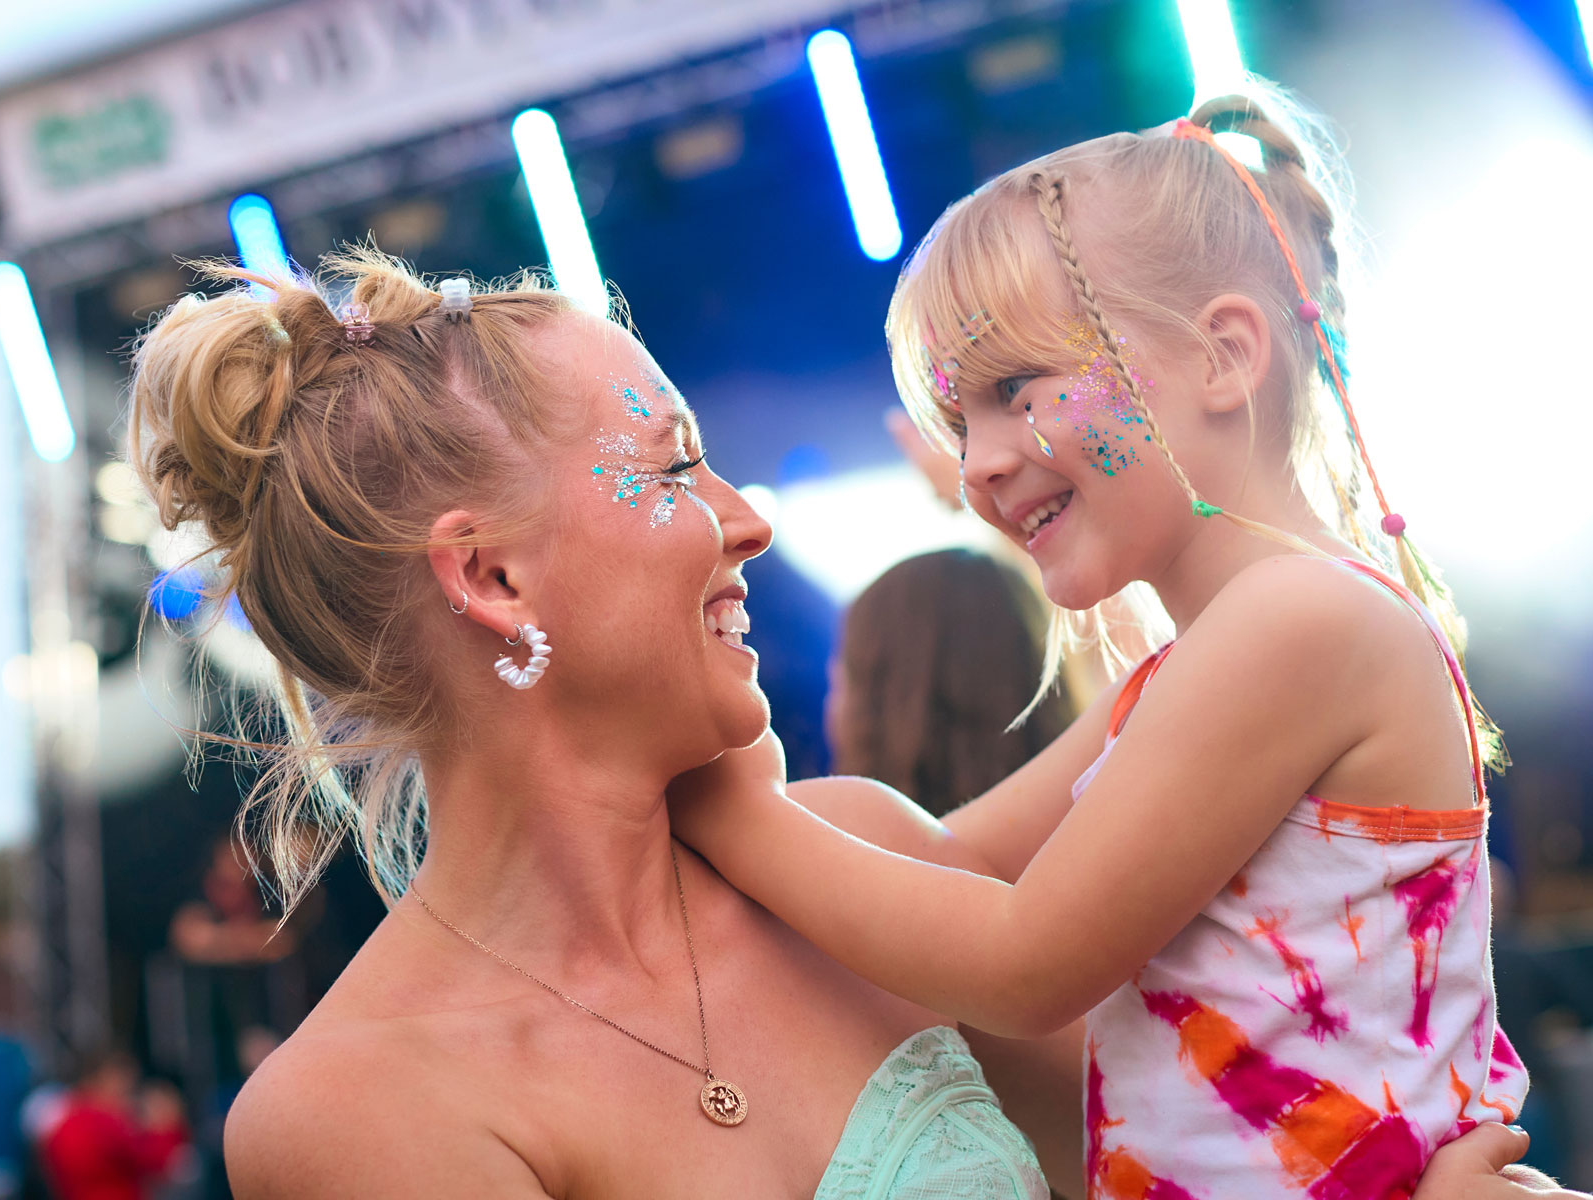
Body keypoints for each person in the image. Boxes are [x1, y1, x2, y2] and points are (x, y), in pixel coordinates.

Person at [125, 249, 1540, 1199]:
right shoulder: (349, 1111)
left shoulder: (860, 859)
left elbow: (1211, 1165)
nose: (747, 519)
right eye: (677, 468)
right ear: (488, 577)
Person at [669, 88, 1563, 1198]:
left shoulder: (1302, 623)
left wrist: (730, 810)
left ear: (1221, 356)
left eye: (1015, 390)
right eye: (960, 423)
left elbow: (1024, 962)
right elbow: (944, 861)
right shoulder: (1199, 660)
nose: (980, 462)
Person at [830, 548, 1077, 818]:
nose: (832, 708)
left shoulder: (826, 844)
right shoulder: (1095, 818)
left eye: (841, 682)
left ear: (877, 702)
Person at [40, 1052, 187, 1200]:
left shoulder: (63, 1121)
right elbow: (153, 1160)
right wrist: (167, 1126)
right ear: (107, 1079)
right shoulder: (104, 1122)